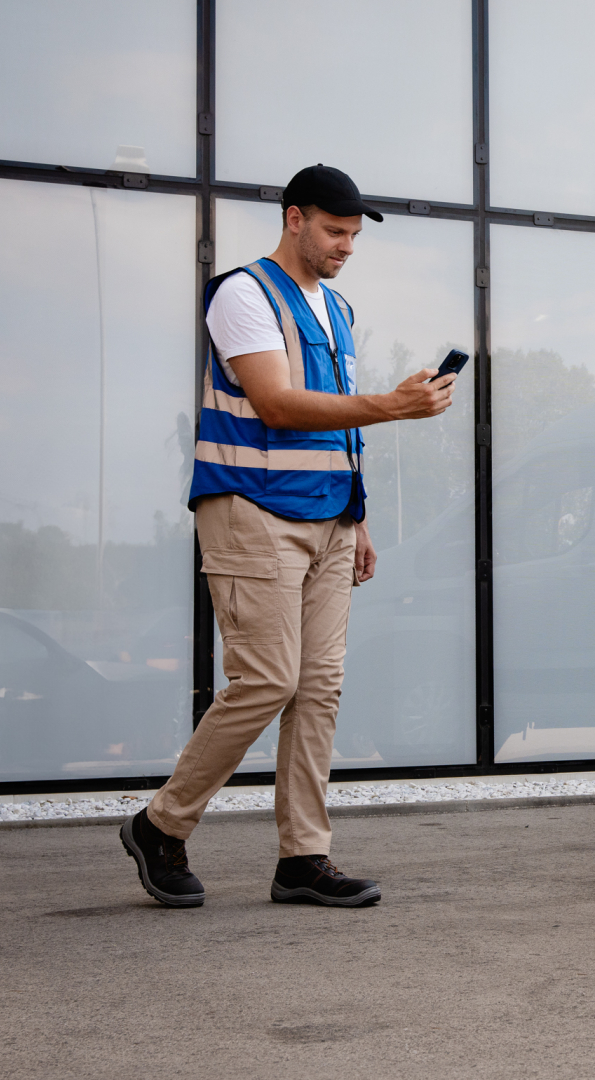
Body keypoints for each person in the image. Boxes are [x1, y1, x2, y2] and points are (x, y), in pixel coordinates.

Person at [119, 164, 456, 908]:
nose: (347, 246)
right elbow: (274, 403)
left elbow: (334, 423)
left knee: (320, 690)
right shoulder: (244, 295)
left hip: (328, 517)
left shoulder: (336, 310)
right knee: (269, 679)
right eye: (336, 232)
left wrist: (359, 513)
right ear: (294, 219)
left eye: (354, 235)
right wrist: (393, 408)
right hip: (252, 509)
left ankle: (303, 857)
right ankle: (160, 824)